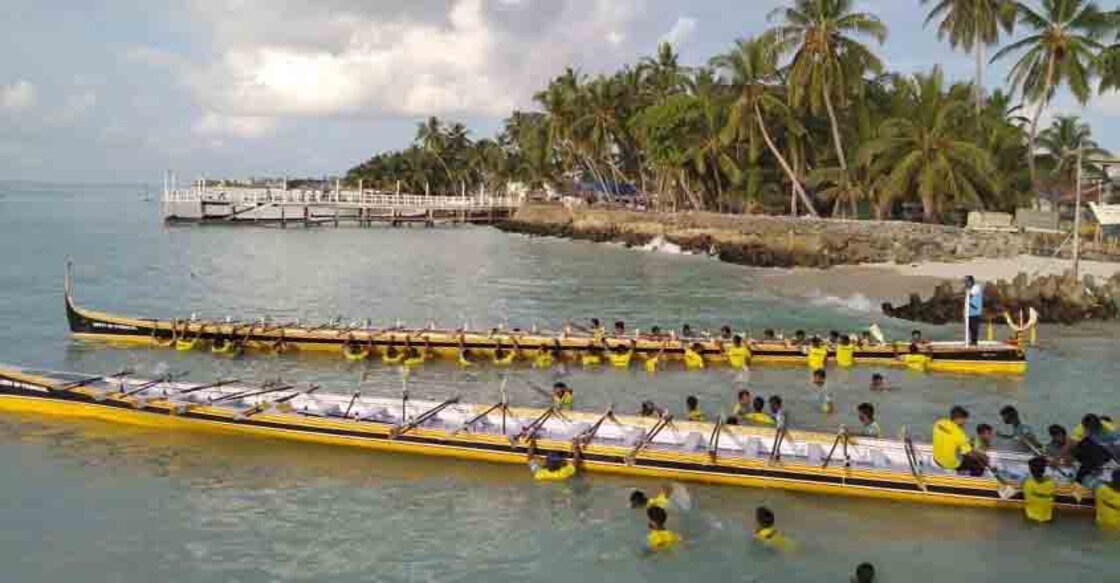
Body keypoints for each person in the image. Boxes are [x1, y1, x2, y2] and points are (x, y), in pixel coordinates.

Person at [933, 406, 985, 476]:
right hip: (949, 465)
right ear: (959, 419)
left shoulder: (939, 423)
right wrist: (981, 457)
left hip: (936, 459)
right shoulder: (960, 434)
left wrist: (966, 442)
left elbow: (949, 435)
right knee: (978, 466)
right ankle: (966, 477)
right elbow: (969, 454)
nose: (965, 422)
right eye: (964, 420)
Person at [1022, 456, 1055, 524]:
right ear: (1044, 469)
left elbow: (1008, 487)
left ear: (1030, 470)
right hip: (1048, 519)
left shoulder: (1027, 482)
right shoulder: (1052, 482)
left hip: (1031, 518)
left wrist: (996, 474)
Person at [964, 275, 982, 346]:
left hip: (975, 312)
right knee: (970, 328)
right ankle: (972, 341)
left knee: (974, 328)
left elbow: (971, 295)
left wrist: (966, 290)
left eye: (966, 281)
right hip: (969, 312)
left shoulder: (976, 287)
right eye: (965, 281)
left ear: (971, 281)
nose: (965, 283)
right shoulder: (969, 289)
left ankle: (974, 342)